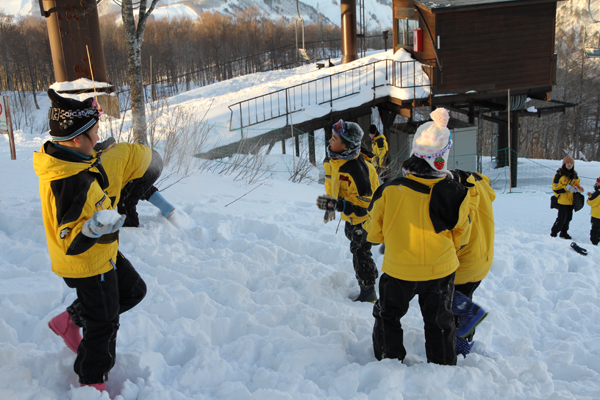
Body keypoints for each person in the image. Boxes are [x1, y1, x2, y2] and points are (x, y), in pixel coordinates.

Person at [33, 89, 147, 392]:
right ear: (75, 139)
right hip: (87, 263)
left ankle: (70, 320)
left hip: (103, 254)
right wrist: (95, 228)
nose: (97, 138)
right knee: (104, 324)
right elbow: (70, 238)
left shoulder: (74, 161)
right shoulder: (69, 179)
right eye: (94, 133)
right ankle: (91, 381)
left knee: (133, 290)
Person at [364, 107, 474, 366]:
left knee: (388, 316)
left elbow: (373, 232)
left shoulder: (389, 191)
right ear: (443, 157)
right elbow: (462, 235)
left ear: (414, 152)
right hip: (441, 270)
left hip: (399, 270)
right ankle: (442, 364)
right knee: (440, 320)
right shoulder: (457, 192)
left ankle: (389, 360)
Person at [316, 120, 380, 302]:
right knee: (356, 247)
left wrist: (340, 206)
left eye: (334, 138)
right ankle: (368, 282)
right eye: (331, 137)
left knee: (360, 251)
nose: (330, 140)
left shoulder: (358, 171)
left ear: (346, 146)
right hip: (351, 217)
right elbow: (334, 184)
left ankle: (368, 291)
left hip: (365, 218)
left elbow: (365, 205)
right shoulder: (334, 158)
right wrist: (332, 204)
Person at [449, 169, 495, 357]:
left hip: (465, 263)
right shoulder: (480, 186)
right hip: (483, 257)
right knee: (461, 299)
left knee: (450, 301)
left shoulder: (460, 195)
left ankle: (460, 347)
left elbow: (458, 236)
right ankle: (464, 337)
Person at [94, 137, 175, 227]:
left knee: (125, 199)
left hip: (149, 165)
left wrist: (103, 217)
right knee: (137, 188)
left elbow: (112, 194)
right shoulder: (101, 154)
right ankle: (167, 208)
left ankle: (130, 226)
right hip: (151, 159)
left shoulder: (106, 164)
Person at [551, 155, 583, 239]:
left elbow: (577, 184)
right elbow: (555, 187)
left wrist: (578, 189)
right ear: (564, 164)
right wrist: (566, 188)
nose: (569, 165)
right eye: (568, 163)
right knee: (561, 218)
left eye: (571, 163)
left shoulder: (575, 175)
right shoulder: (559, 174)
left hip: (571, 201)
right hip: (562, 201)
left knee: (568, 218)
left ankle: (564, 232)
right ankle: (553, 233)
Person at [586, 177, 600, 245]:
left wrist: (590, 197)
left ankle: (594, 242)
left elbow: (590, 202)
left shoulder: (598, 193)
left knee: (595, 229)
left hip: (597, 215)